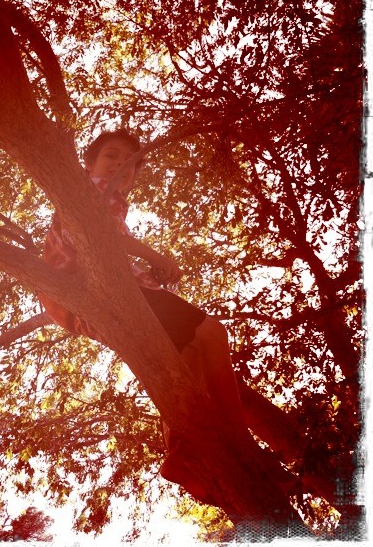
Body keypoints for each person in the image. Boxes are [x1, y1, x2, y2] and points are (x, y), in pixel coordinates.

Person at [38, 128, 275, 495]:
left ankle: (182, 454)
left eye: (129, 163)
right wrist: (156, 257)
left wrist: (151, 274)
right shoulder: (94, 189)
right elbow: (103, 238)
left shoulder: (102, 198)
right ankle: (242, 443)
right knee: (211, 333)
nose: (120, 165)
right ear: (90, 164)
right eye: (111, 155)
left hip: (79, 305)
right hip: (96, 293)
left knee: (186, 362)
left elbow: (104, 251)